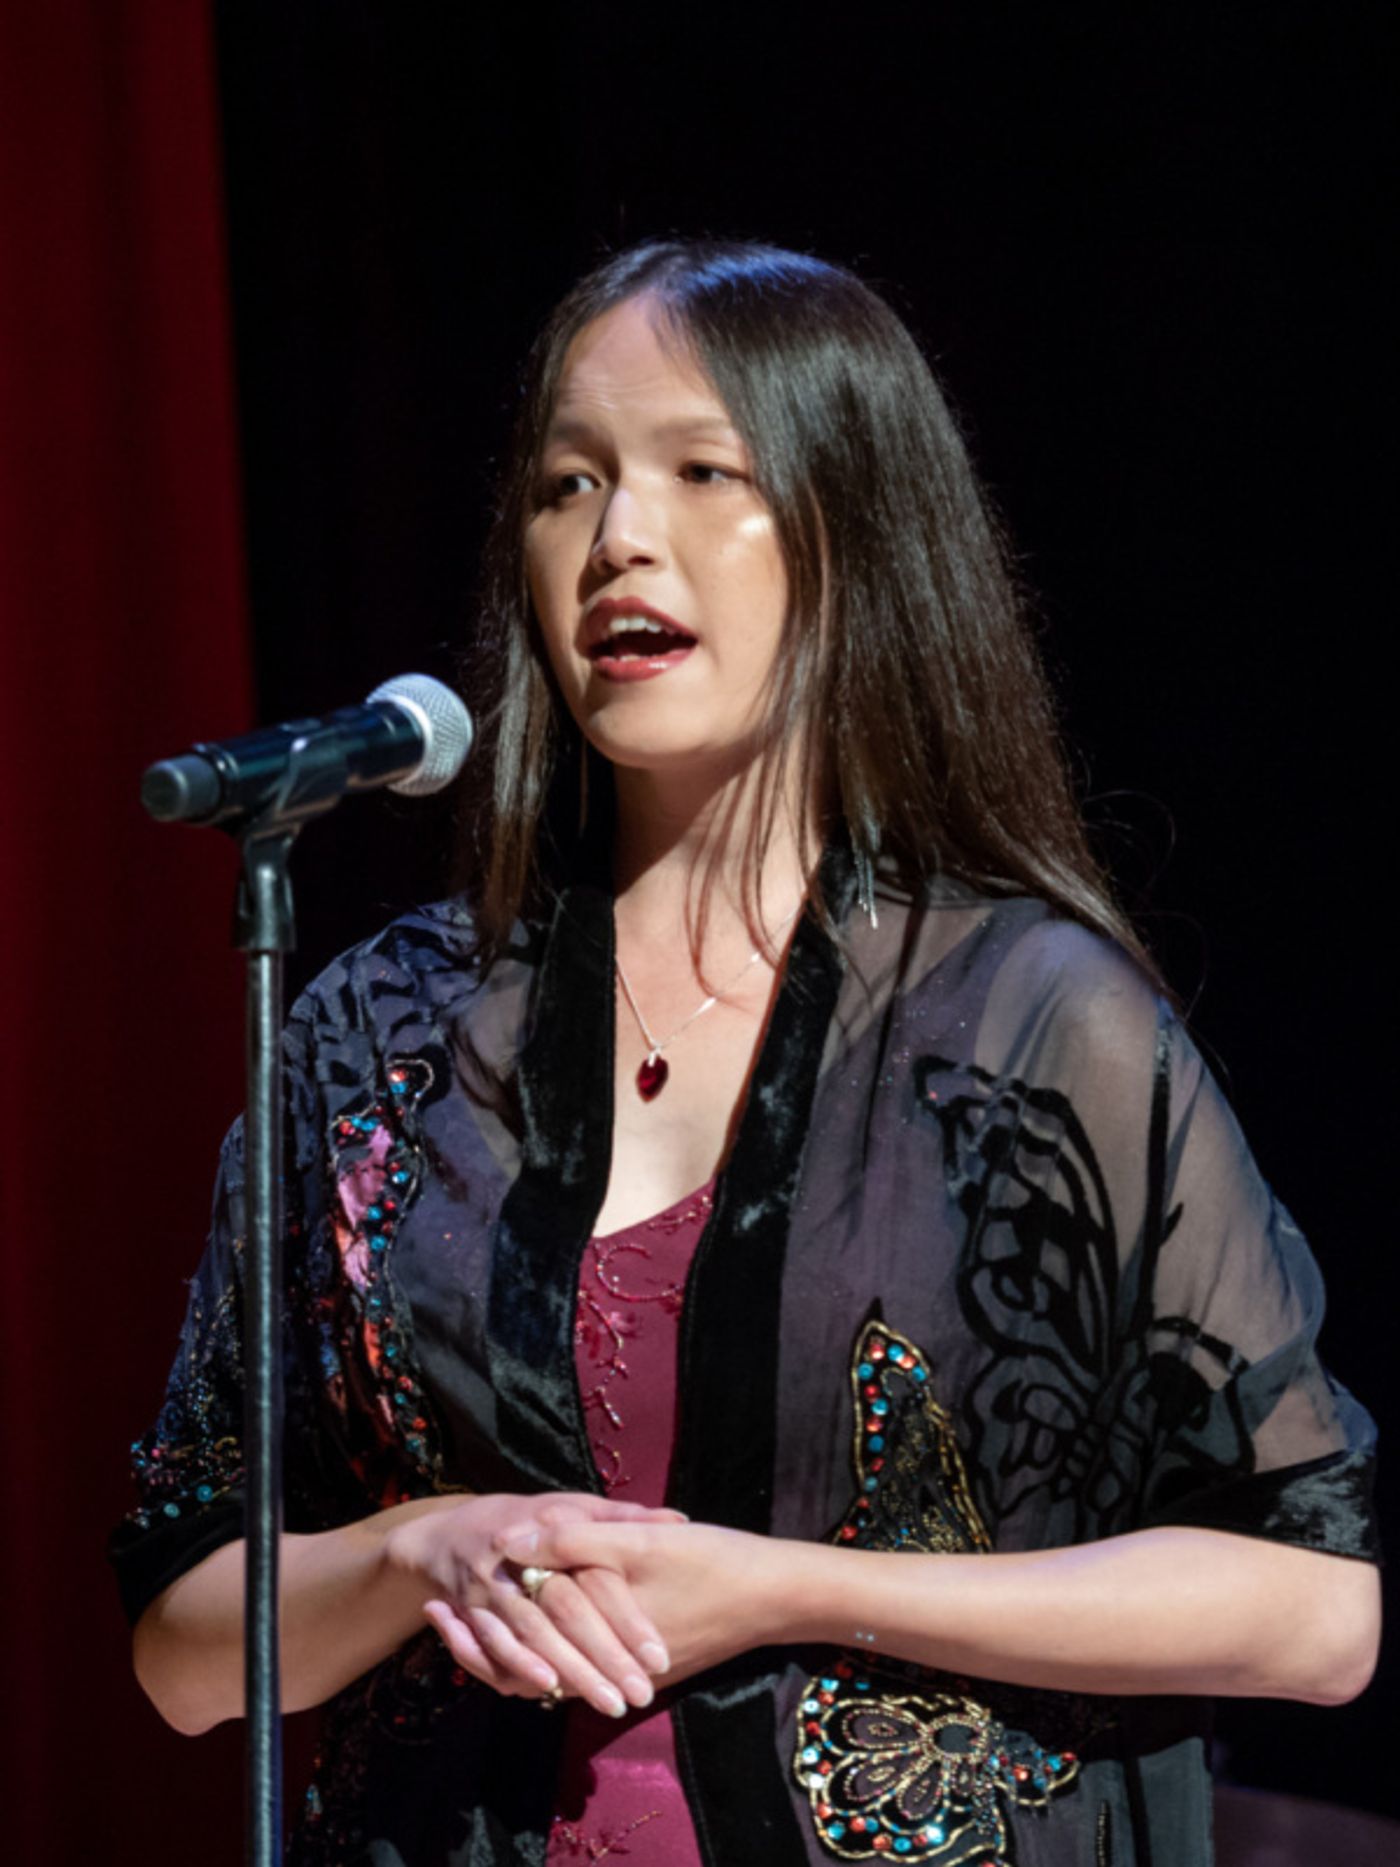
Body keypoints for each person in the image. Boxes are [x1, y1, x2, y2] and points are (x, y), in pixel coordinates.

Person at [112, 239, 1381, 1867]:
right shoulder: (380, 1031)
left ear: (856, 538)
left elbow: (1314, 1607)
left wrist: (773, 1587)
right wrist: (424, 1549)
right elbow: (181, 1649)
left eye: (704, 471)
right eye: (569, 487)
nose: (618, 540)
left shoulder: (1031, 1021)